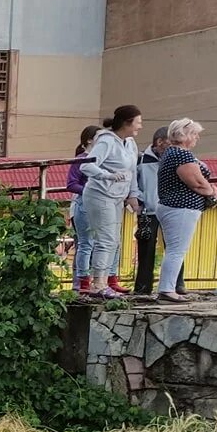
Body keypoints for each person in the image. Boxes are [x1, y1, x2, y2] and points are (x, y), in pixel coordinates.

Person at [79, 105, 143, 298]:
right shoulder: (106, 141)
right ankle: (98, 284)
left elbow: (131, 171)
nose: (140, 126)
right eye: (138, 122)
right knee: (105, 239)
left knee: (114, 240)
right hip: (100, 194)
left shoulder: (130, 143)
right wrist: (107, 176)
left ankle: (105, 281)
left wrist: (133, 196)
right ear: (127, 123)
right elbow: (86, 166)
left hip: (118, 197)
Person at [155, 118, 217, 304]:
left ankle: (168, 288)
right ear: (184, 135)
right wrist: (212, 193)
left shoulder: (172, 153)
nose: (197, 137)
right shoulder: (181, 155)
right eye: (194, 134)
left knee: (175, 249)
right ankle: (167, 289)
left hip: (176, 206)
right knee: (177, 250)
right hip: (180, 207)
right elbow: (197, 183)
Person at [134, 126, 185, 297]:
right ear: (159, 142)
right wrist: (139, 199)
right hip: (148, 209)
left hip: (170, 206)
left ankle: (177, 284)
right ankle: (142, 287)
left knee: (175, 246)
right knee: (146, 248)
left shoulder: (175, 158)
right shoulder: (141, 159)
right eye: (169, 144)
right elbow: (133, 182)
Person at [66, 125, 100, 293]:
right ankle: (80, 282)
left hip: (98, 205)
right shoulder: (82, 158)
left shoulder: (101, 158)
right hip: (83, 205)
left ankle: (95, 281)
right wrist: (90, 191)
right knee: (85, 244)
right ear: (89, 140)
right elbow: (71, 184)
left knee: (98, 244)